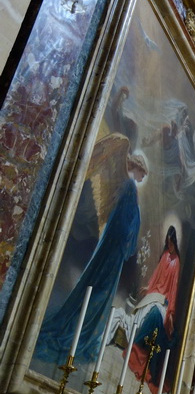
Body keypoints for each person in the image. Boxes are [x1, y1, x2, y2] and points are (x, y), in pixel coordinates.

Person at [35, 148, 147, 364]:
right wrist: (126, 243)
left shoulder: (128, 186)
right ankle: (83, 331)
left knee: (99, 287)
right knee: (101, 289)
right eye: (143, 173)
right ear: (137, 168)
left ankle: (84, 329)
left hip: (113, 247)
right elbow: (123, 222)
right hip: (114, 248)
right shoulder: (129, 187)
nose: (143, 177)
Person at [126, 226, 181, 394]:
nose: (169, 246)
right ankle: (137, 345)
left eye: (171, 243)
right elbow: (156, 276)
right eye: (167, 243)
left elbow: (173, 289)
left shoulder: (176, 262)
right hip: (154, 293)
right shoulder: (164, 256)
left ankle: (142, 350)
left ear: (174, 243)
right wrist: (148, 287)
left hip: (164, 300)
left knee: (156, 314)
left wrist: (171, 311)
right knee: (146, 309)